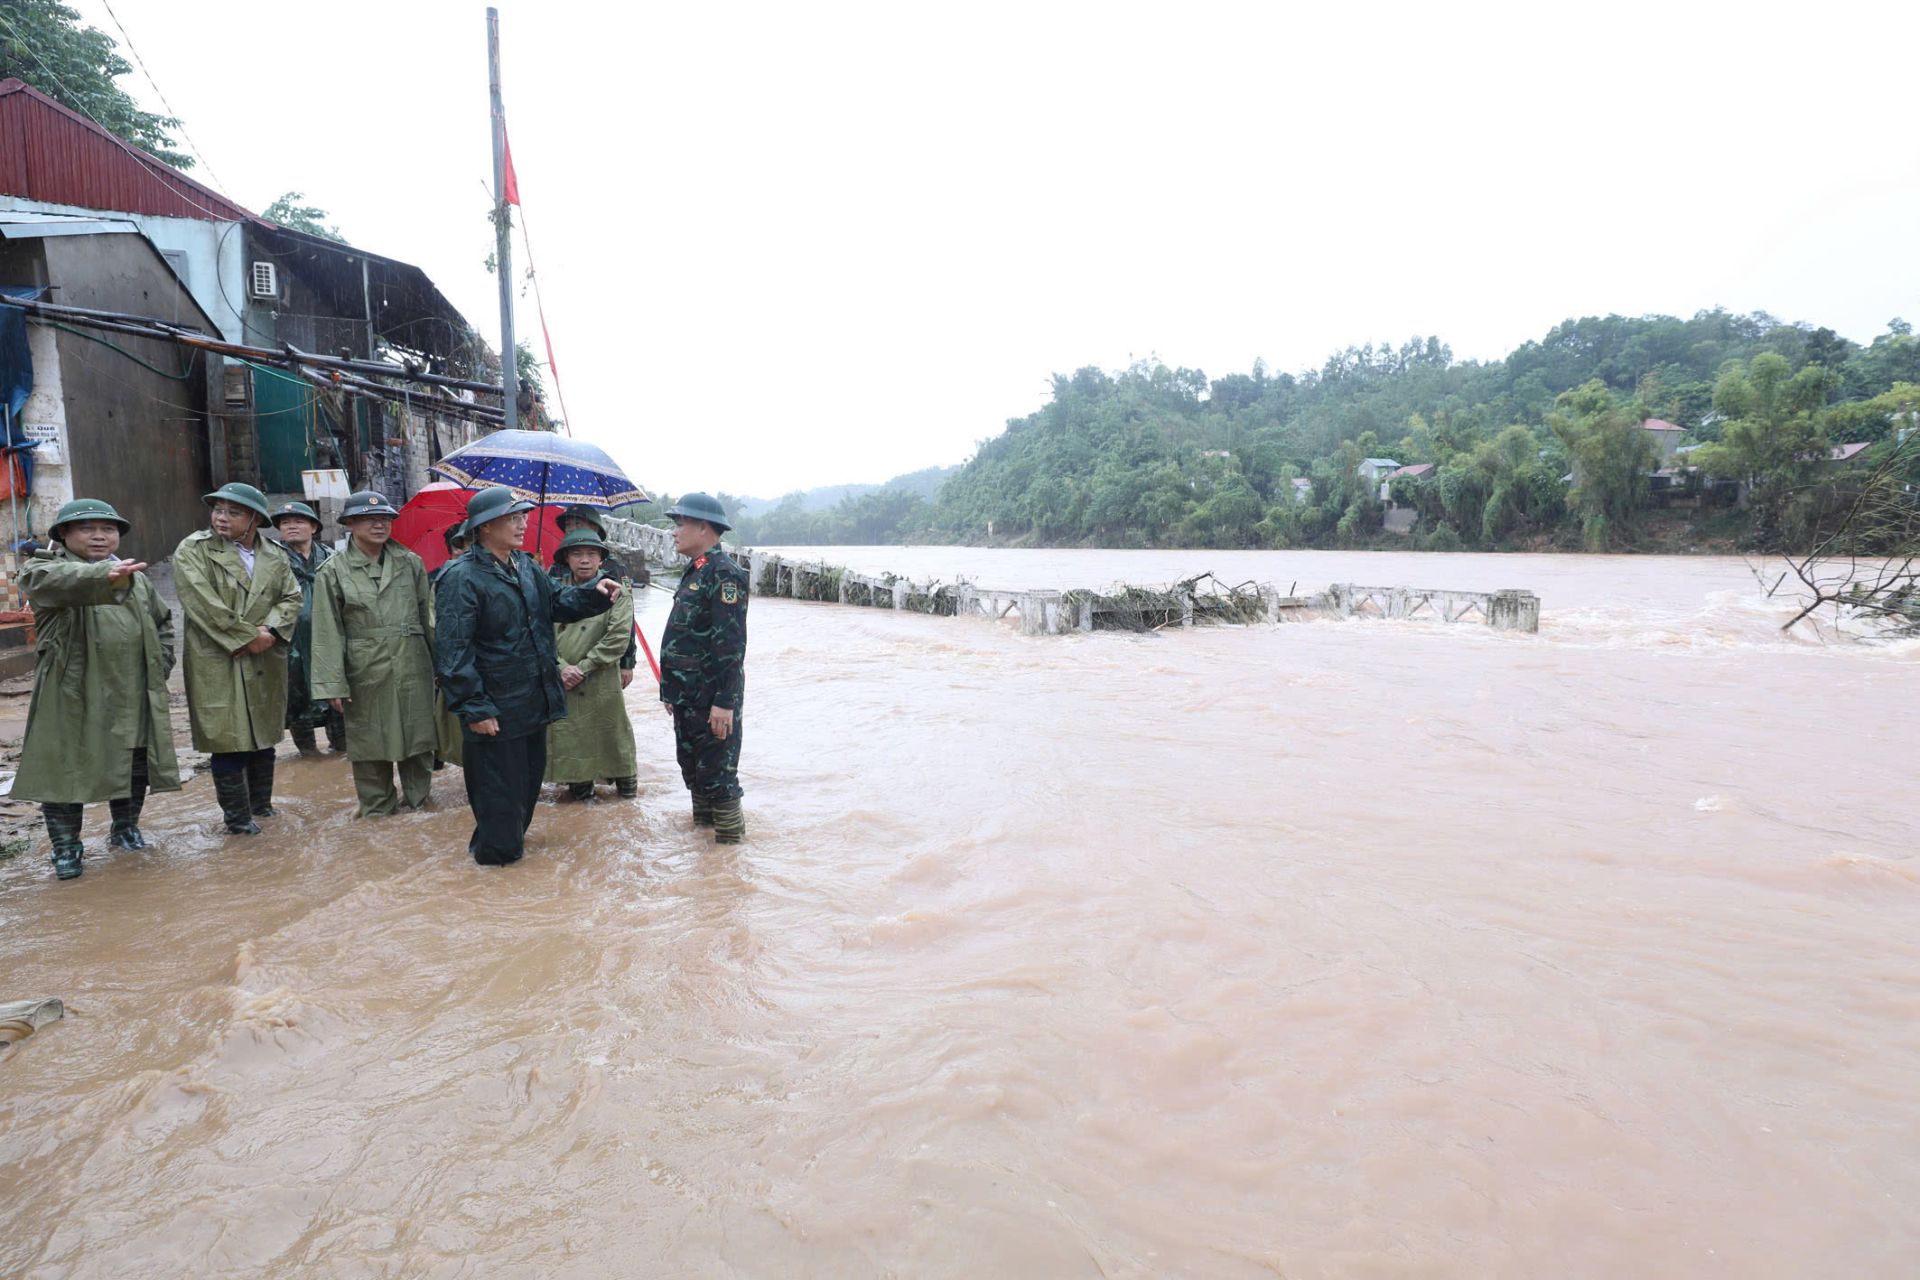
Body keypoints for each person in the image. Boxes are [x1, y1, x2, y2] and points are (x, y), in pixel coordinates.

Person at [434, 486, 620, 866]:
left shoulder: (526, 566)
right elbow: (454, 651)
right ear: (485, 527)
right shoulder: (461, 577)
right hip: (494, 711)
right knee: (499, 801)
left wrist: (595, 594)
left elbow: (557, 602)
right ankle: (498, 884)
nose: (523, 523)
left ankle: (498, 856)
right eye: (513, 517)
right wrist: (475, 707)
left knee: (523, 794)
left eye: (523, 516)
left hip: (532, 704)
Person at [13, 499, 181, 880]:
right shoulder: (43, 569)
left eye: (107, 529)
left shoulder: (134, 576)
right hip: (73, 691)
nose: (99, 536)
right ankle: (67, 848)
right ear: (64, 535)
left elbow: (163, 622)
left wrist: (160, 664)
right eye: (87, 528)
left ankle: (125, 830)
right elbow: (53, 584)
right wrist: (104, 576)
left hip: (132, 688)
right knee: (64, 770)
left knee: (134, 760)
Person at [174, 481, 303, 835]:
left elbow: (292, 598)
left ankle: (262, 806)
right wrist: (249, 637)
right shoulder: (194, 550)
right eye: (218, 510)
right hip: (219, 657)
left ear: (255, 519)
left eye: (233, 512)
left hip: (265, 658)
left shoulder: (275, 555)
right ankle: (237, 818)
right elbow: (201, 603)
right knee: (228, 738)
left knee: (263, 734)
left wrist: (271, 633)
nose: (221, 518)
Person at [308, 491, 438, 817]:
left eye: (385, 518)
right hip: (364, 668)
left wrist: (443, 666)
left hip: (413, 660)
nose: (379, 524)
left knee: (418, 737)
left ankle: (420, 804)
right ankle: (377, 811)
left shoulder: (410, 563)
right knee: (370, 743)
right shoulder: (333, 571)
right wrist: (332, 684)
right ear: (350, 523)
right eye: (369, 519)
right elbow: (326, 630)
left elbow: (429, 618)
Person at [657, 492, 748, 843]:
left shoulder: (725, 575)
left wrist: (724, 702)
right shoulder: (695, 572)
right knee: (693, 772)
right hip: (687, 697)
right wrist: (671, 691)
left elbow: (730, 644)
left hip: (713, 700)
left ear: (703, 527)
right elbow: (685, 639)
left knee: (718, 778)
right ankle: (704, 861)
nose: (675, 531)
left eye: (680, 524)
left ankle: (728, 857)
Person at [543, 527, 638, 800]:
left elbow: (618, 638)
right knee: (573, 743)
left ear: (600, 560)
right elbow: (541, 634)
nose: (584, 560)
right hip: (564, 682)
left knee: (614, 739)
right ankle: (581, 794)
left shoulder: (615, 591)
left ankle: (627, 798)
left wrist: (582, 668)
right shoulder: (554, 594)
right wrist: (561, 667)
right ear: (566, 559)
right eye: (577, 554)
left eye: (591, 554)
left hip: (601, 681)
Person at [271, 500, 345, 755]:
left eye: (299, 521)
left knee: (335, 693)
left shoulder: (331, 558)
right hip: (291, 642)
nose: (291, 527)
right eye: (285, 523)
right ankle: (308, 755)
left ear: (313, 527)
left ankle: (340, 750)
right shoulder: (271, 559)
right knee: (297, 697)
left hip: (327, 638)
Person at [551, 504, 643, 688]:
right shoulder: (556, 568)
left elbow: (626, 620)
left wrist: (627, 663)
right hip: (565, 657)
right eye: (568, 524)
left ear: (595, 528)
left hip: (600, 656)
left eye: (578, 523)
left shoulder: (614, 569)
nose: (571, 529)